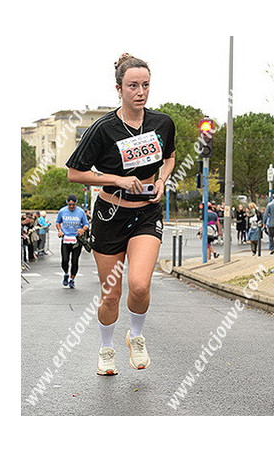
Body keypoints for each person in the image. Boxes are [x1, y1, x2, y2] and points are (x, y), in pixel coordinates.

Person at [65, 53, 176, 375]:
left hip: (146, 214)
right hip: (110, 215)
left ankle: (136, 337)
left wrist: (162, 180)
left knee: (139, 285)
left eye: (146, 85)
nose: (140, 92)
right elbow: (74, 173)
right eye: (132, 86)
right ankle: (106, 348)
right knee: (111, 293)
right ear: (119, 89)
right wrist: (116, 179)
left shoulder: (162, 123)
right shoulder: (103, 129)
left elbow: (169, 157)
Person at [56, 194, 89, 289]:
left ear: (76, 203)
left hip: (76, 240)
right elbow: (58, 222)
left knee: (75, 261)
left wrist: (82, 230)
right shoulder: (62, 211)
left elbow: (86, 224)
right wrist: (60, 231)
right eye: (69, 204)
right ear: (67, 203)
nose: (71, 206)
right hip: (65, 239)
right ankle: (66, 274)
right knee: (65, 260)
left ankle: (72, 279)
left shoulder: (81, 212)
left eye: (73, 205)